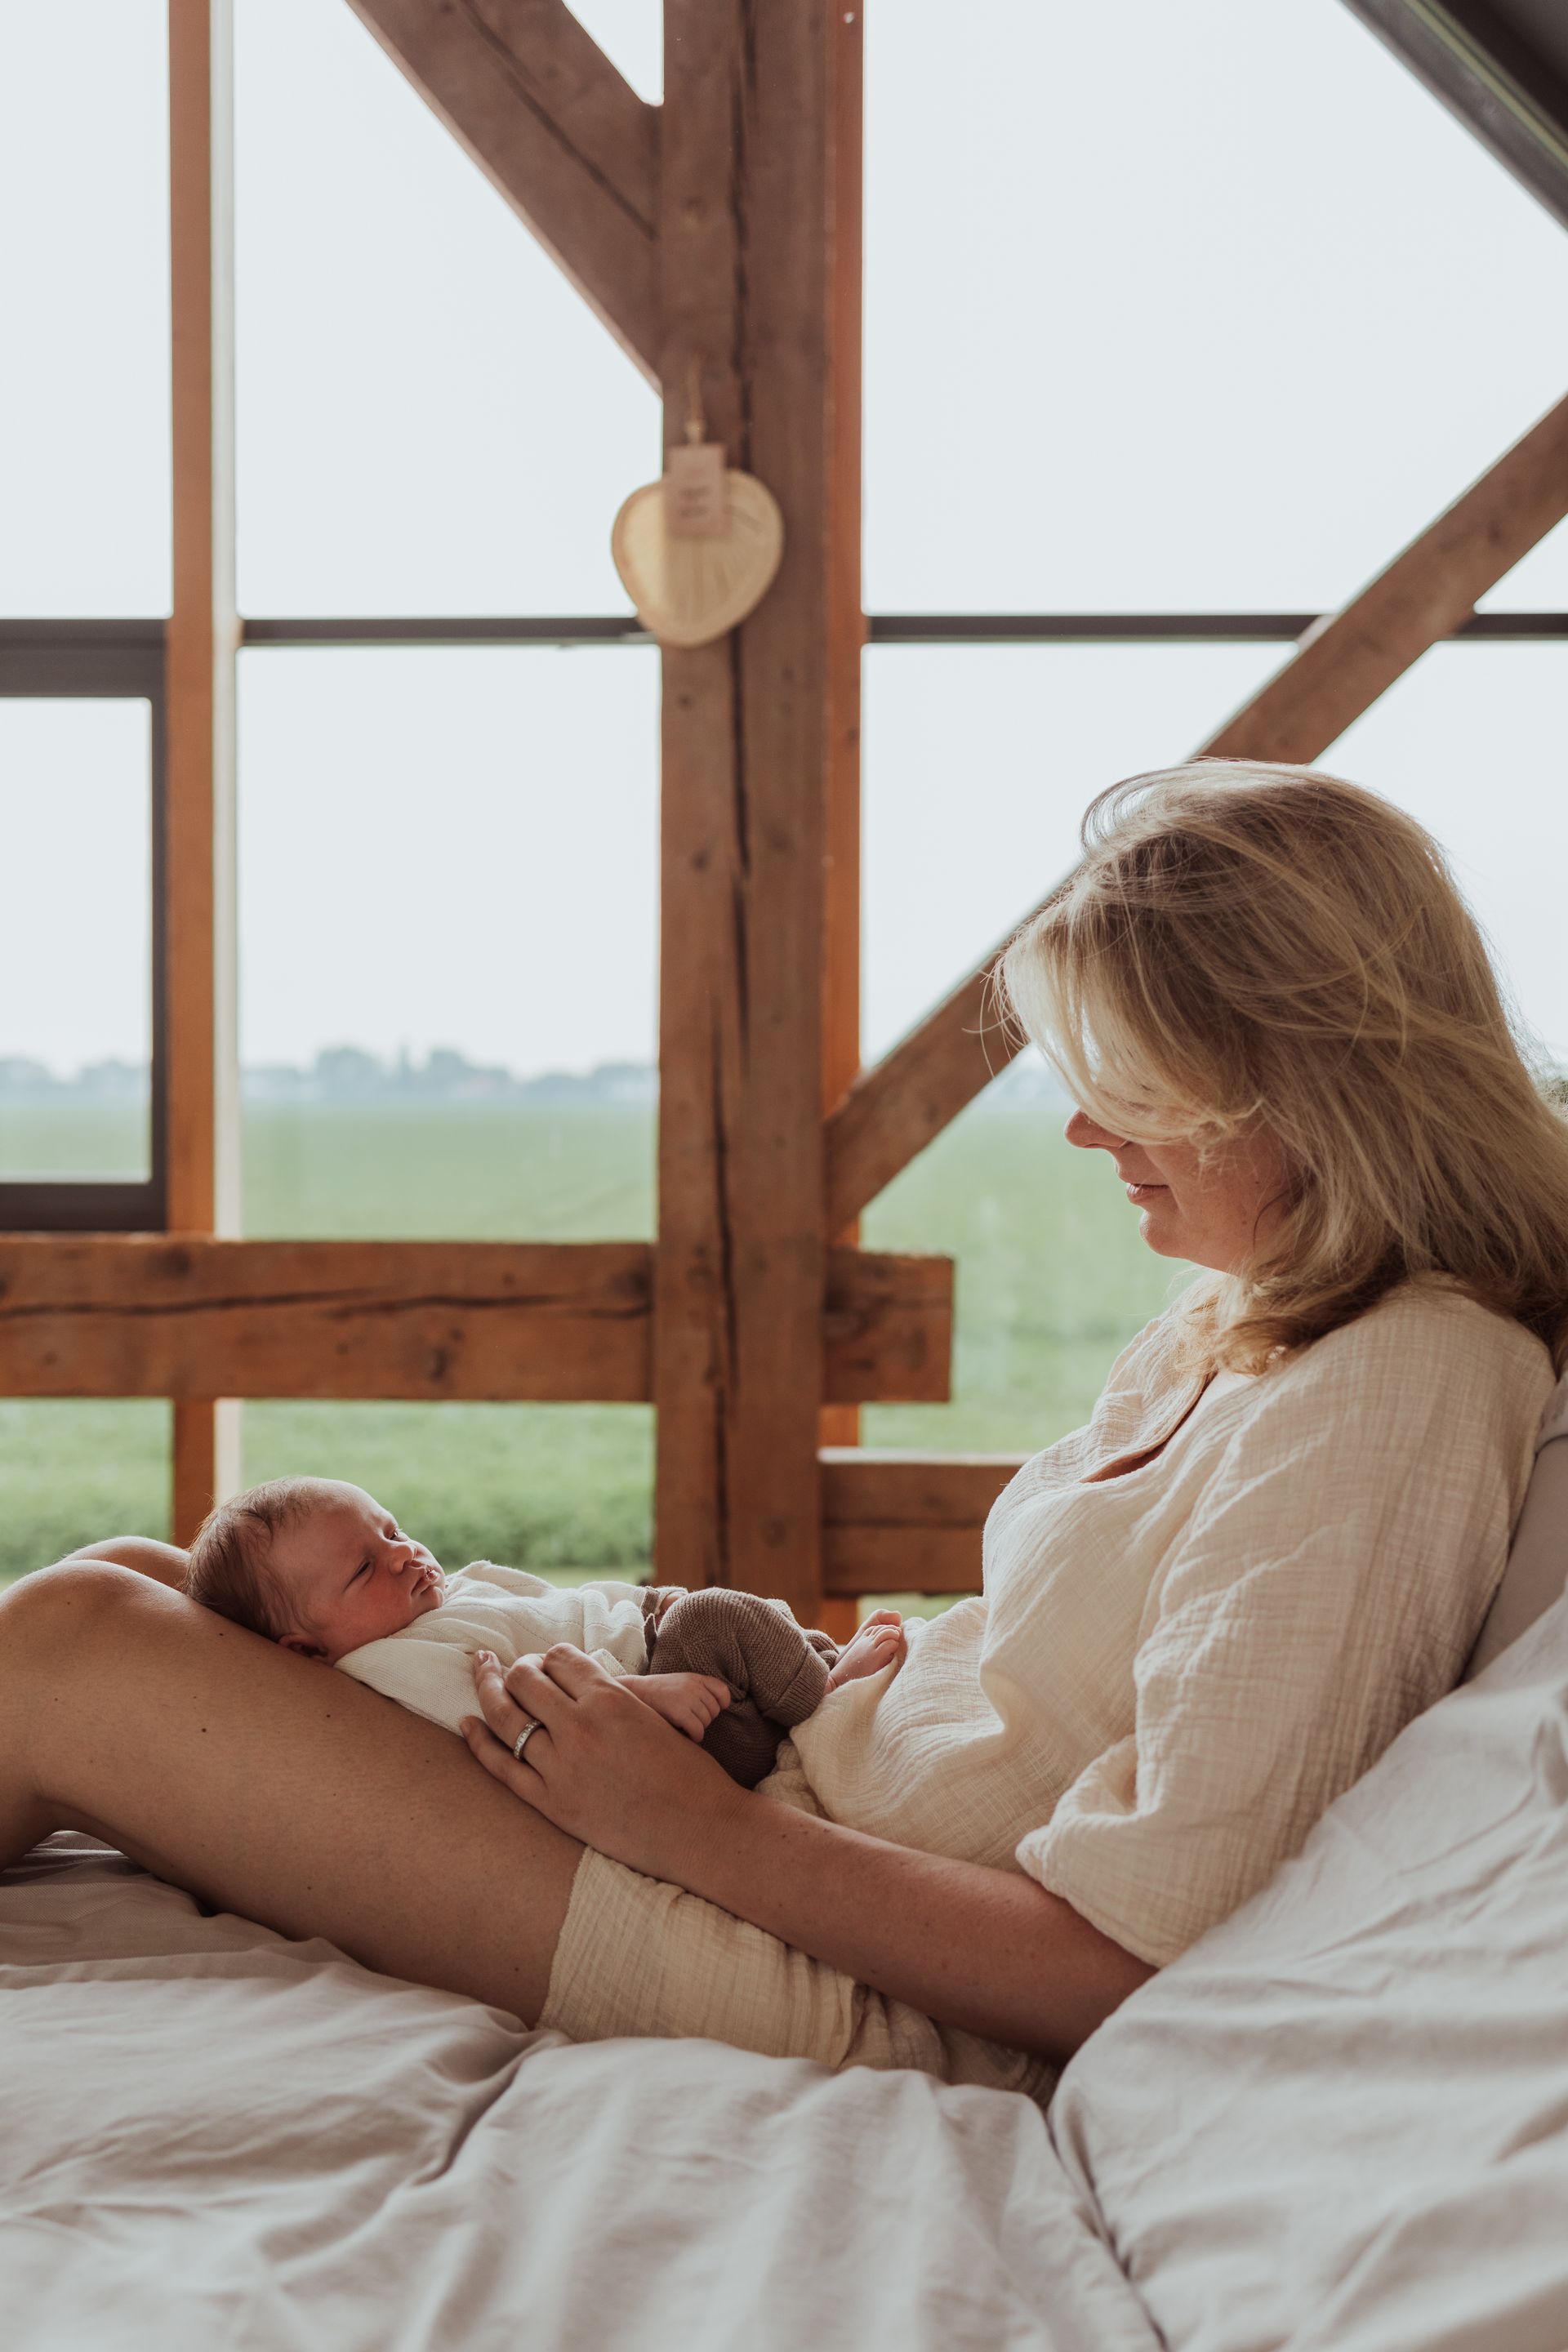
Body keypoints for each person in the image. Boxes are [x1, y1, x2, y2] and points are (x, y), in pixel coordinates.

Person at [5, 762, 1567, 2095]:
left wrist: (689, 1826)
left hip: (815, 1947)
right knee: (157, 1577)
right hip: (789, 1803)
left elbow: (1133, 1964)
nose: (1087, 1127)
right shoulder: (1254, 1312)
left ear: (1295, 1078)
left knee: (70, 1645)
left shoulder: (1407, 1384)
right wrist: (904, 1667)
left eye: (1135, 1081)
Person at [181, 1474, 906, 1787]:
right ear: (307, 1650)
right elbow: (512, 1709)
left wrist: (647, 1602)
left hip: (663, 1660)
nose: (404, 1554)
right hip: (665, 1727)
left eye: (393, 1530)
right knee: (715, 1617)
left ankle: (808, 1664)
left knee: (734, 1617)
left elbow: (566, 1599)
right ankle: (824, 1699)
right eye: (365, 1568)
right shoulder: (390, 1664)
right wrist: (643, 1695)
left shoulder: (451, 1594)